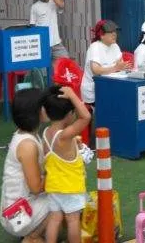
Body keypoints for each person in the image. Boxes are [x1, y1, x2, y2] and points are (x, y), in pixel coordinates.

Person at [0, 88, 50, 242]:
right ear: (35, 112)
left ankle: (35, 232)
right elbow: (36, 188)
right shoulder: (28, 145)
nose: (48, 107)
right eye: (44, 105)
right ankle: (31, 237)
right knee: (64, 198)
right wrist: (61, 172)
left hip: (16, 208)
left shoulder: (29, 135)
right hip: (16, 215)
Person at [42, 86, 91, 243]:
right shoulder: (64, 136)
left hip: (53, 186)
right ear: (69, 114)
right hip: (70, 187)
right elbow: (86, 117)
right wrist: (72, 95)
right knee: (72, 220)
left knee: (54, 219)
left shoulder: (46, 133)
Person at [80, 20, 129, 105]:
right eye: (110, 32)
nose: (114, 34)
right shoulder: (95, 47)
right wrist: (115, 68)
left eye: (115, 31)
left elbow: (121, 64)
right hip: (94, 89)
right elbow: (96, 70)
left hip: (111, 84)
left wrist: (120, 67)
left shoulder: (115, 46)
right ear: (101, 35)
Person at [30, 0, 68, 71]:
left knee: (65, 63)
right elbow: (32, 25)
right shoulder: (35, 7)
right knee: (43, 71)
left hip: (56, 43)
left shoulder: (54, 2)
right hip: (42, 44)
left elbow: (62, 5)